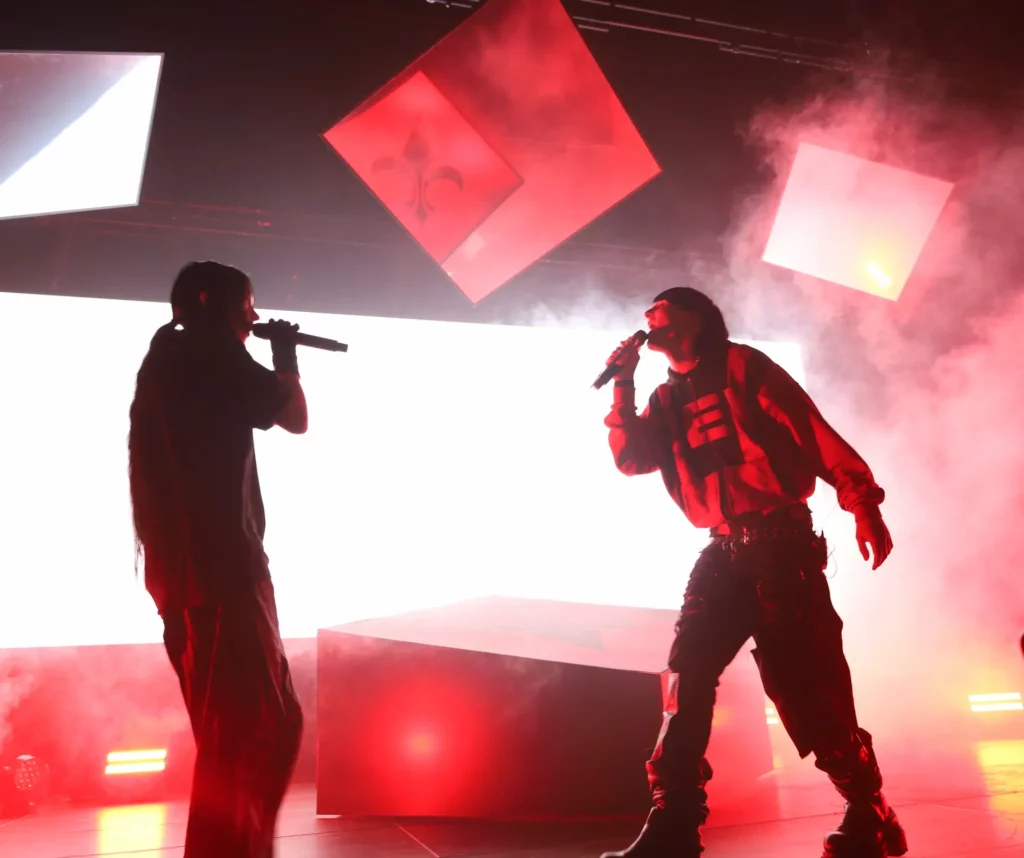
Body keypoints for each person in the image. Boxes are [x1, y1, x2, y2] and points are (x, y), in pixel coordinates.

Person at [599, 287, 907, 858]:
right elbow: (631, 459)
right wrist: (624, 380)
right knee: (687, 676)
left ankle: (870, 807)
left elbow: (812, 432)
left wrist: (862, 503)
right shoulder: (664, 398)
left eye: (661, 308)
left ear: (694, 318)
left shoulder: (747, 367)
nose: (648, 317)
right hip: (721, 549)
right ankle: (674, 821)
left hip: (782, 545)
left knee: (803, 688)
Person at [128, 261, 308, 858]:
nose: (254, 317)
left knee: (239, 729)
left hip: (182, 576)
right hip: (226, 567)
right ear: (214, 302)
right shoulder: (209, 351)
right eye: (249, 304)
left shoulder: (166, 357)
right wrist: (286, 353)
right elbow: (294, 417)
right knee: (258, 727)